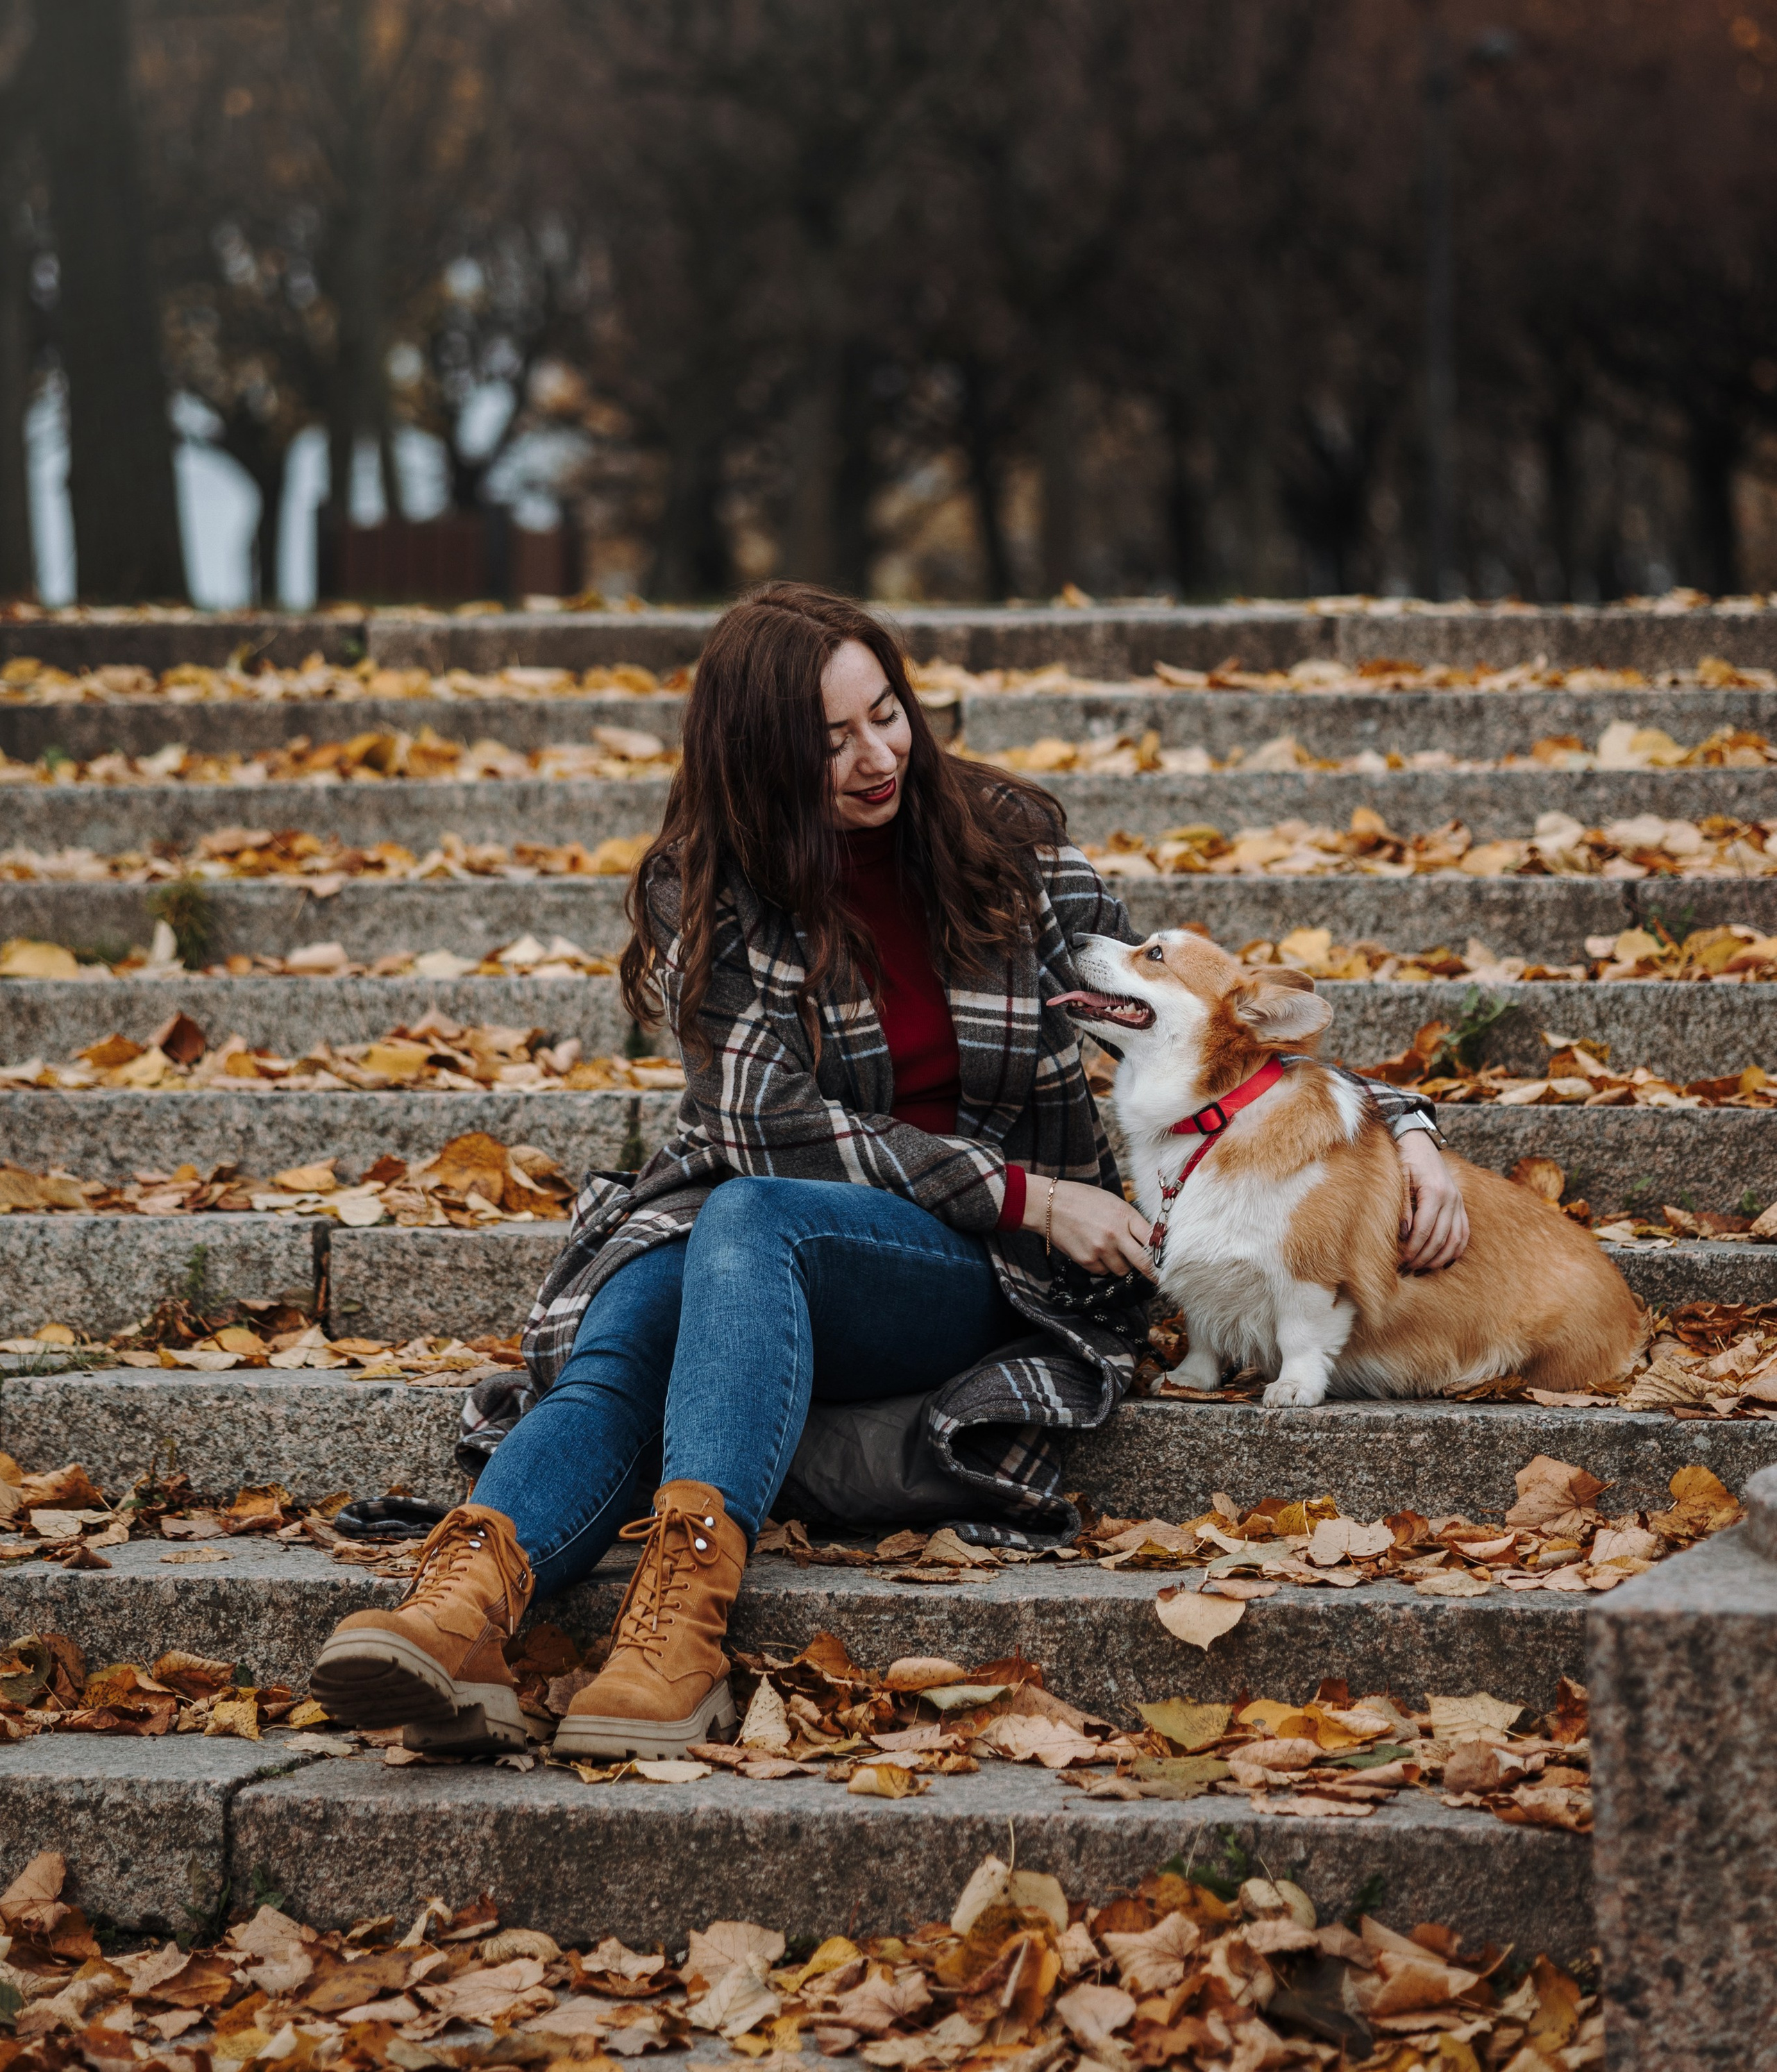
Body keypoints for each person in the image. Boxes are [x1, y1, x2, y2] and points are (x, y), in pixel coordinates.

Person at [310, 583, 1467, 1760]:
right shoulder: (710, 884)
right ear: (760, 762)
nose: (877, 757)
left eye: (888, 715)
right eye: (830, 742)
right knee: (649, 1317)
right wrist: (1029, 1186)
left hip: (974, 1267)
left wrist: (1403, 1124)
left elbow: (1187, 1004)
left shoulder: (998, 842)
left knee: (750, 1225)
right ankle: (454, 1614)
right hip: (763, 1223)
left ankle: (674, 1640)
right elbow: (765, 1120)